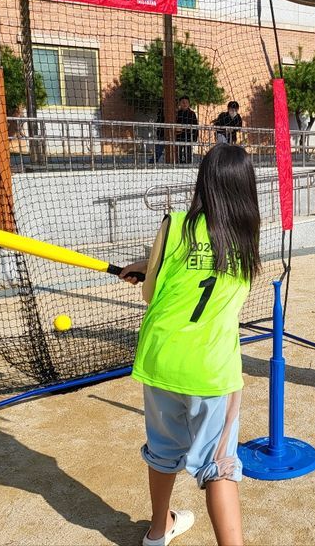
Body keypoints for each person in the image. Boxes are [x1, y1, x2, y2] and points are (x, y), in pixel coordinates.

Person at [120, 143, 261, 546]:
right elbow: (210, 279)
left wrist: (151, 268)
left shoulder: (175, 223)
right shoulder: (247, 239)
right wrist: (153, 267)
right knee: (218, 467)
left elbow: (154, 292)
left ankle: (157, 532)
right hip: (211, 369)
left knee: (162, 451)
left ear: (205, 182)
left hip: (161, 358)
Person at [175, 96, 199, 164]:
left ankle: (188, 164)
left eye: (186, 102)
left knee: (188, 152)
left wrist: (195, 137)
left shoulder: (192, 114)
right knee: (178, 152)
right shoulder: (177, 113)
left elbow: (195, 126)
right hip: (179, 137)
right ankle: (178, 163)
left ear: (189, 104)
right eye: (183, 102)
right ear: (180, 103)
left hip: (189, 137)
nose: (185, 104)